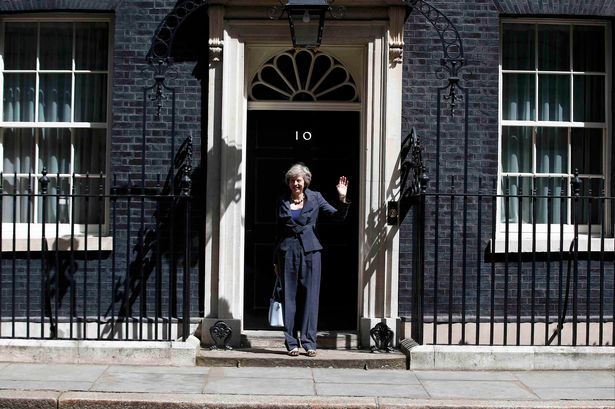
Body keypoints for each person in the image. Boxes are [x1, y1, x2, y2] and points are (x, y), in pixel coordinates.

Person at [273, 163, 350, 357]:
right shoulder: (282, 200)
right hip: (287, 252)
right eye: (292, 180)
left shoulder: (315, 198)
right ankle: (291, 342)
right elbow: (277, 232)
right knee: (288, 297)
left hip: (311, 251)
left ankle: (309, 342)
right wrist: (275, 259)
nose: (295, 184)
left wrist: (342, 198)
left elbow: (337, 217)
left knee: (310, 297)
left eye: (298, 180)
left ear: (305, 181)